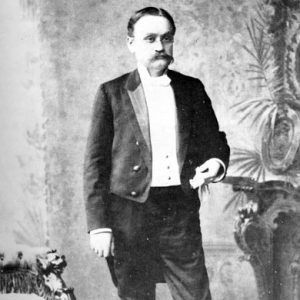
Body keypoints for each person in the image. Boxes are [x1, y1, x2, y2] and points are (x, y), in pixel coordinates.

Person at [83, 6, 230, 300]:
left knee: (195, 294)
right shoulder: (111, 93)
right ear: (132, 44)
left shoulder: (192, 88)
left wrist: (215, 163)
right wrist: (99, 226)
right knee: (135, 294)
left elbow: (216, 141)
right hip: (129, 215)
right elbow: (95, 165)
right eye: (150, 39)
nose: (160, 47)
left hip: (180, 210)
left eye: (167, 38)